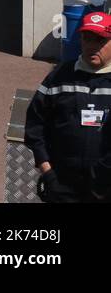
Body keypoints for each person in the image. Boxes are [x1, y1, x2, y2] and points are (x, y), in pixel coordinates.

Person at [24, 11, 111, 203]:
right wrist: (48, 173)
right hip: (62, 184)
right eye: (87, 39)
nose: (91, 46)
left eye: (100, 41)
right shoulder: (59, 76)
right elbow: (34, 125)